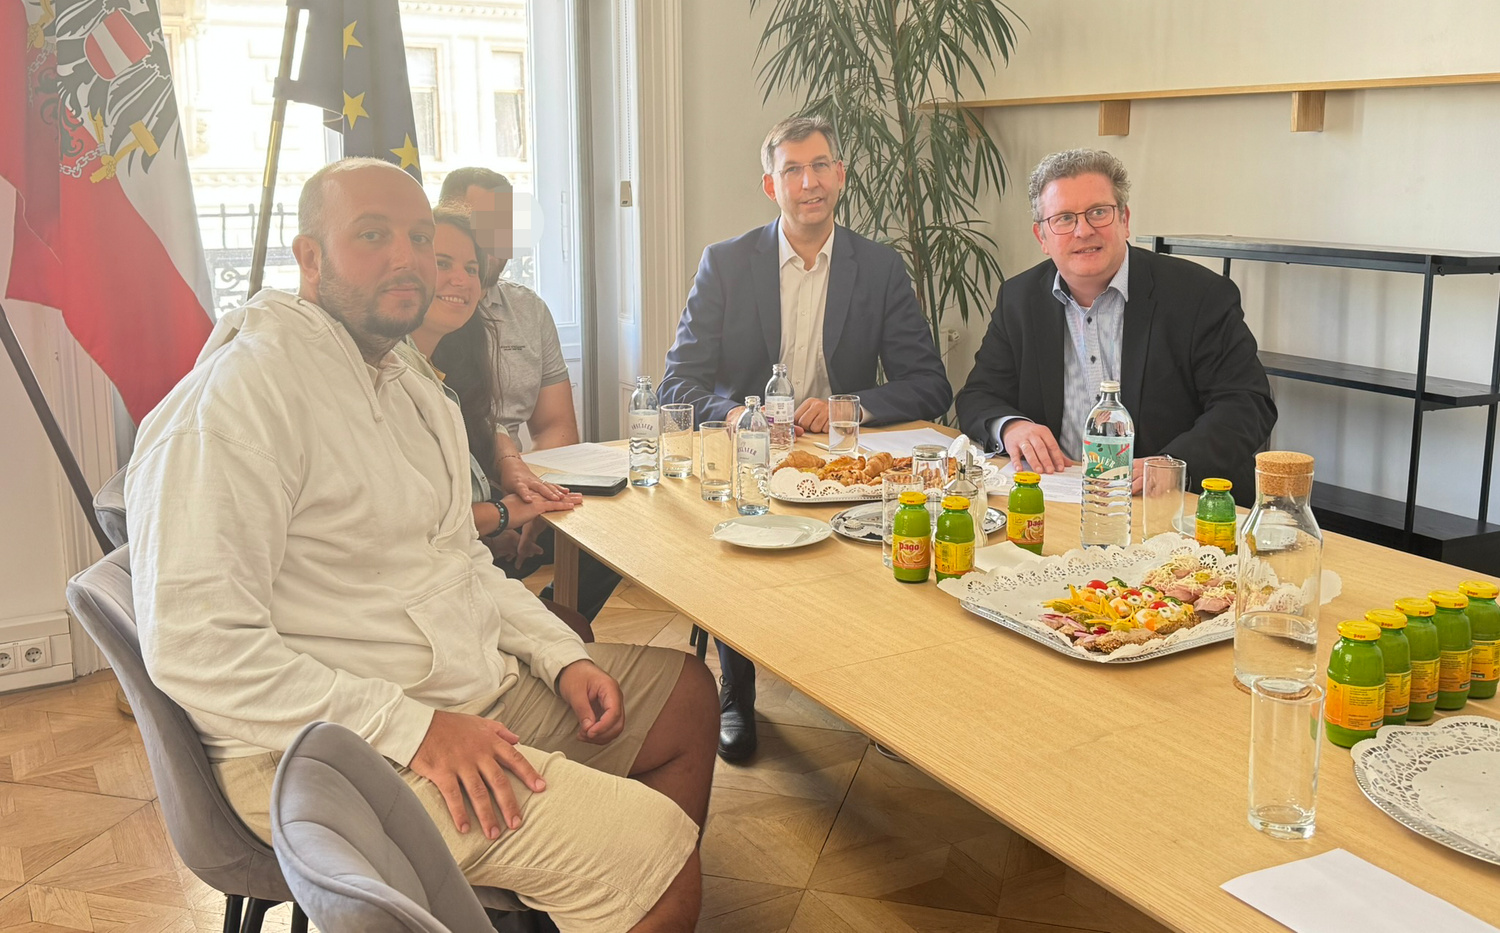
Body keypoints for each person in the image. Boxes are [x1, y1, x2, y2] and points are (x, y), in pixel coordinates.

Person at [126, 157, 717, 932]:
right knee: (658, 856)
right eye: (372, 236)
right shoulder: (240, 398)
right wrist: (417, 728)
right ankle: (623, 883)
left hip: (454, 692)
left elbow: (460, 561)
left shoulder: (402, 383)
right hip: (324, 755)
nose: (406, 258)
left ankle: (581, 898)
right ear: (310, 259)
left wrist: (559, 653)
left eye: (417, 237)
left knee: (686, 701)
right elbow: (197, 645)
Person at [659, 115, 953, 762]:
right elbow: (676, 385)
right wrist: (738, 416)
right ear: (771, 184)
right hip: (754, 458)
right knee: (742, 525)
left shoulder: (877, 268)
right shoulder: (728, 263)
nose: (809, 181)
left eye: (820, 166)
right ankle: (737, 692)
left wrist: (849, 406)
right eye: (792, 169)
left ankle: (881, 693)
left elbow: (931, 385)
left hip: (846, 462)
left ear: (840, 177)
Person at [955, 149, 1275, 503]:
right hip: (1056, 496)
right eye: (1063, 218)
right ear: (1042, 237)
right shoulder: (1019, 298)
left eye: (1098, 213)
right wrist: (1013, 427)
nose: (1083, 230)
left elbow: (1247, 404)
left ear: (1124, 219)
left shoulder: (1199, 295)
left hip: (1167, 503)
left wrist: (1171, 465)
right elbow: (978, 395)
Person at [394, 205, 593, 641]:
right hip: (414, 597)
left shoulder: (454, 354)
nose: (462, 279)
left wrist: (517, 473)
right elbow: (413, 526)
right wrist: (502, 514)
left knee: (595, 526)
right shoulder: (386, 371)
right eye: (443, 263)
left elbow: (488, 423)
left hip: (481, 518)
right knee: (571, 633)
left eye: (471, 266)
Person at [439, 166, 622, 620]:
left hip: (517, 484)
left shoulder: (527, 310)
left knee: (624, 521)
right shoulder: (425, 316)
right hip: (455, 504)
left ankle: (546, 616)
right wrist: (500, 513)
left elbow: (556, 425)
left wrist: (537, 497)